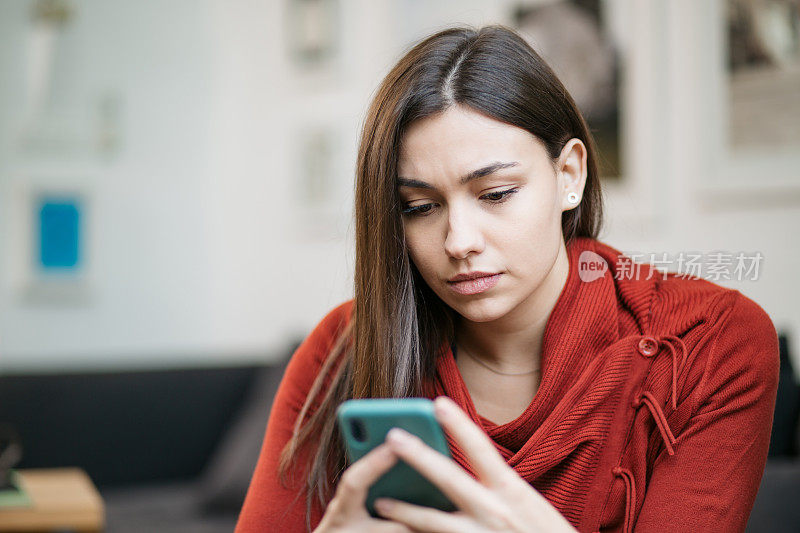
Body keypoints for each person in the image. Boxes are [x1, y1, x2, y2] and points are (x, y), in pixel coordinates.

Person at [235, 25, 779, 533]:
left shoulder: (710, 341)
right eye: (420, 207)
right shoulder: (345, 345)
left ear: (569, 175)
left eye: (495, 195)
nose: (458, 241)